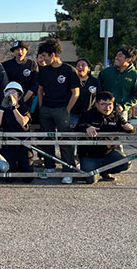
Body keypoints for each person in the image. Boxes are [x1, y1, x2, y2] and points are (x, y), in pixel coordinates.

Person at [36, 38, 80, 184]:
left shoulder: (68, 70)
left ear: (53, 54)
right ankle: (49, 167)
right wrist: (42, 107)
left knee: (65, 141)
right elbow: (40, 90)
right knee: (46, 139)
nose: (42, 59)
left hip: (62, 109)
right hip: (46, 109)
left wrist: (67, 110)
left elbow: (76, 93)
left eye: (44, 56)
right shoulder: (44, 71)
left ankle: (68, 170)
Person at [75, 91, 134, 184]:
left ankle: (104, 171)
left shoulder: (116, 116)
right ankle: (96, 171)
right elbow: (78, 127)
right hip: (89, 155)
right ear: (96, 104)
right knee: (91, 180)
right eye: (103, 104)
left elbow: (126, 126)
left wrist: (130, 128)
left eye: (109, 104)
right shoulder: (88, 114)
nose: (107, 108)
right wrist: (87, 127)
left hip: (108, 153)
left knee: (126, 163)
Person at [0, 82, 33, 183]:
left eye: (14, 92)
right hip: (8, 145)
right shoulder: (2, 109)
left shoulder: (24, 108)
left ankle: (21, 166)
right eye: (8, 92)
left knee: (28, 178)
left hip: (23, 145)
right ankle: (14, 166)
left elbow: (23, 122)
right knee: (9, 178)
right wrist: (2, 109)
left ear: (19, 96)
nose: (10, 95)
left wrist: (14, 107)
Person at [99, 46, 137, 120]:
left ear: (129, 59)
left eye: (120, 56)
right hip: (103, 110)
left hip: (121, 112)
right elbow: (98, 89)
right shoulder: (105, 72)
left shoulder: (136, 76)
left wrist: (124, 106)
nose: (116, 58)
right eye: (116, 55)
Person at [2, 41, 38, 107]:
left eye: (22, 49)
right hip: (10, 100)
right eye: (17, 49)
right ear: (13, 52)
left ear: (26, 51)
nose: (20, 52)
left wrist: (23, 100)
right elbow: (4, 84)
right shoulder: (6, 65)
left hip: (27, 101)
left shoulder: (32, 64)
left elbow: (34, 85)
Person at [70, 58, 101, 127]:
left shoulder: (95, 81)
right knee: (73, 133)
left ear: (89, 69)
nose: (80, 67)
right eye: (78, 66)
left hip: (90, 114)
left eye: (83, 65)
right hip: (73, 113)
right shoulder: (71, 80)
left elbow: (99, 96)